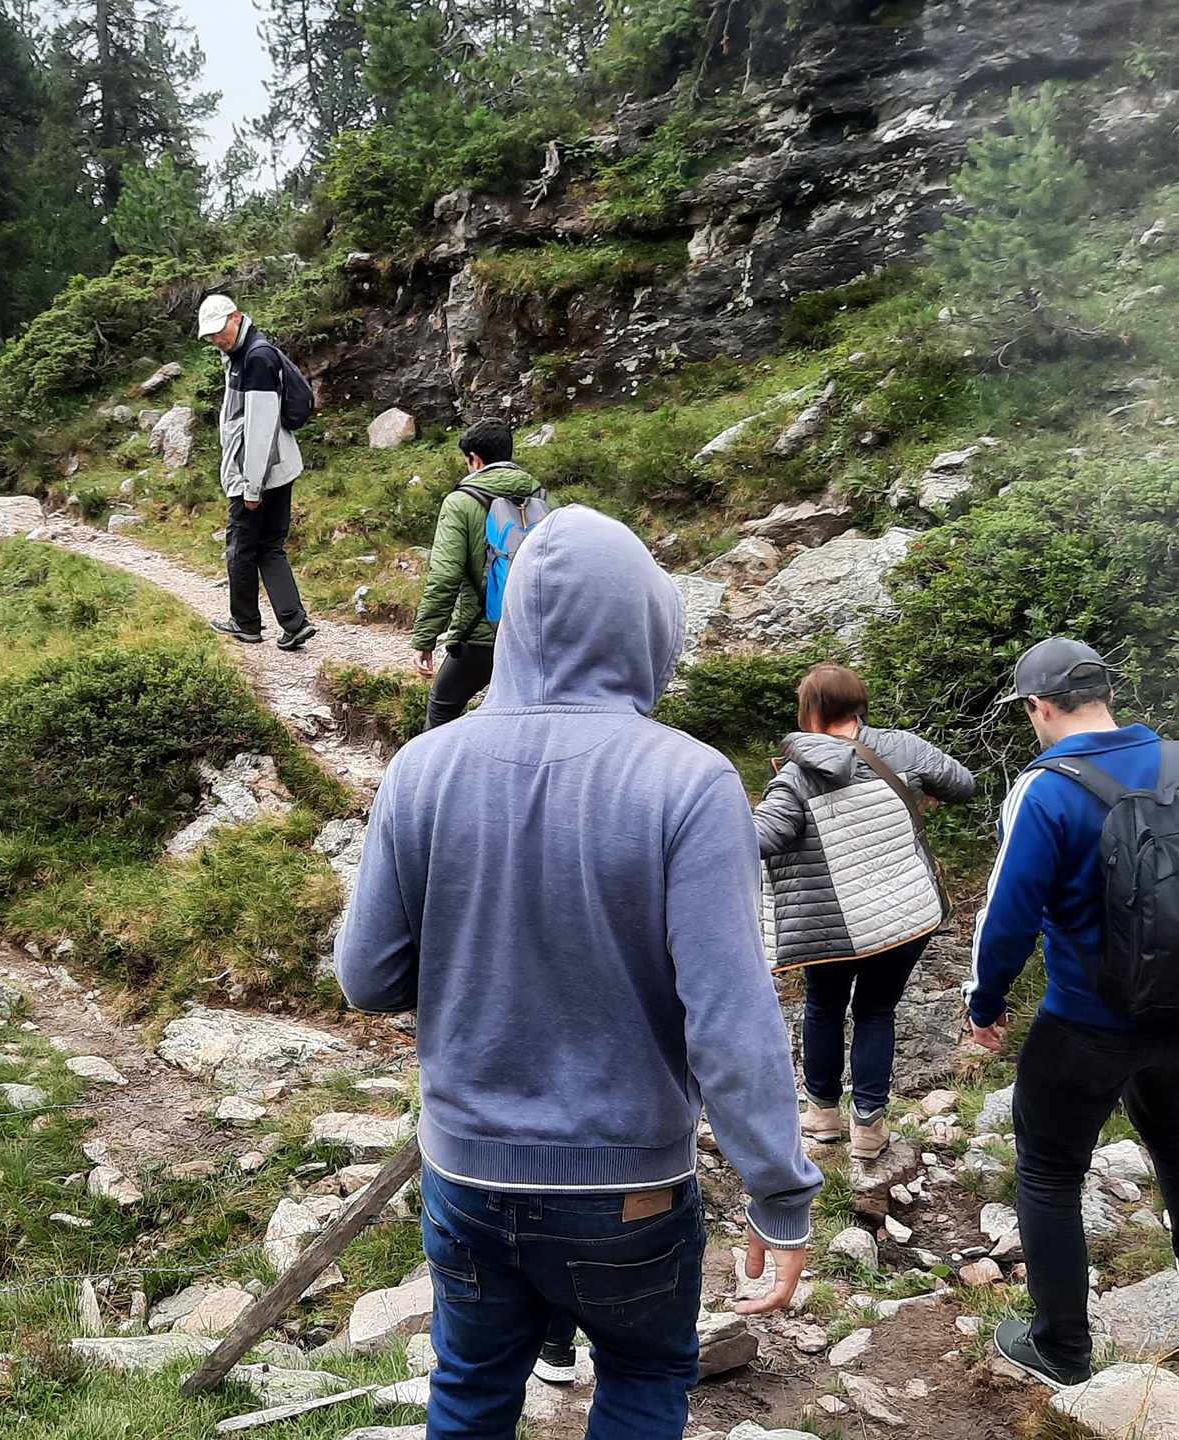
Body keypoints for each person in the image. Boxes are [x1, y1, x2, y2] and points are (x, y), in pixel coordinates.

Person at [338, 505, 820, 1440]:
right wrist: (779, 1193)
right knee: (643, 1375)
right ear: (646, 626)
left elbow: (368, 978)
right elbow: (728, 1019)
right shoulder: (691, 781)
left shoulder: (422, 768)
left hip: (465, 1171)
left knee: (472, 1387)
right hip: (628, 1186)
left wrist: (479, 960)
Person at [966, 637, 1179, 1387]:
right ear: (1104, 693)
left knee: (1047, 1169)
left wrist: (986, 1000)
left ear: (1038, 706)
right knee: (1173, 1127)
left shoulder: (1046, 788)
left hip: (1087, 1020)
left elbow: (1007, 913)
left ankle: (1061, 1350)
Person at [754, 663, 976, 1161]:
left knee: (824, 1006)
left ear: (809, 710)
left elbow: (760, 839)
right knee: (878, 1010)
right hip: (903, 914)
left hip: (830, 923)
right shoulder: (904, 749)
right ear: (860, 705)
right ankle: (870, 1129)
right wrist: (919, 794)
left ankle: (823, 1118)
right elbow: (964, 785)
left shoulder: (795, 776)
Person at [196, 294, 316, 651]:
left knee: (240, 548)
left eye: (220, 331)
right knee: (270, 546)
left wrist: (251, 488)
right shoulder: (242, 352)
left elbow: (259, 428)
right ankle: (294, 623)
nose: (217, 339)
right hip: (279, 469)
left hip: (258, 474)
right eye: (210, 336)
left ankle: (246, 623)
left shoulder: (256, 357)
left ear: (236, 317)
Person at [411, 418, 545, 729]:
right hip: (535, 633)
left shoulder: (461, 502)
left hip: (481, 636)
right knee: (522, 720)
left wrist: (425, 638)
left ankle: (434, 778)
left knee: (442, 711)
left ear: (475, 460)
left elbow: (445, 577)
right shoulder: (542, 498)